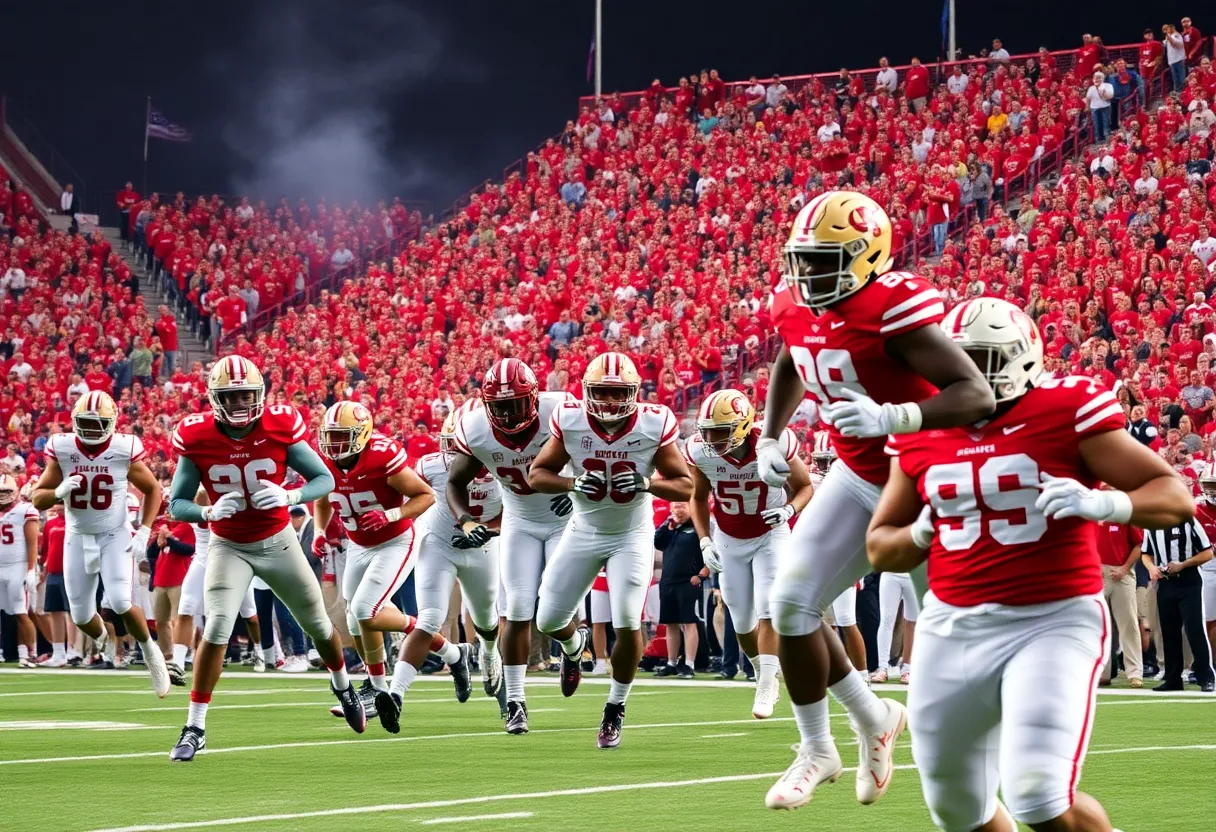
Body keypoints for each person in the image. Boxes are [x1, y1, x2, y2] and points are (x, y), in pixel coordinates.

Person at [869, 297, 1193, 832]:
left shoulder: (1066, 407)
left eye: (984, 362)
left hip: (1052, 619)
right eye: (960, 360)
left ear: (1021, 360)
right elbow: (881, 546)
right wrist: (922, 530)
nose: (970, 376)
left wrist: (1107, 503)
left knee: (1038, 793)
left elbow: (1173, 495)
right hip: (952, 626)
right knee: (957, 810)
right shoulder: (920, 427)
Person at [760, 191, 996, 811]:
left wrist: (896, 413)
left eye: (824, 260)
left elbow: (974, 395)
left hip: (926, 489)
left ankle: (985, 781)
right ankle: (827, 742)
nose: (808, 274)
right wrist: (769, 432)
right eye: (803, 260)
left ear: (869, 257)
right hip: (857, 475)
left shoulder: (890, 308)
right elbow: (791, 357)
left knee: (952, 645)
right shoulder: (797, 302)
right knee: (789, 605)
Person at [164, 355, 357, 762]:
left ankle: (342, 684)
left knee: (318, 624)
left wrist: (291, 495)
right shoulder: (196, 435)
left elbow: (323, 478)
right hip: (228, 543)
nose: (238, 405)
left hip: (278, 539)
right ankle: (195, 726)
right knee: (216, 626)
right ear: (215, 398)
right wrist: (207, 512)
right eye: (229, 397)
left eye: (245, 396)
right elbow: (176, 503)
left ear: (261, 395)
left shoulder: (281, 424)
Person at [529, 352, 693, 748]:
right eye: (601, 392)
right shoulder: (570, 419)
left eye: (618, 393)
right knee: (548, 619)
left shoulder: (654, 423)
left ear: (635, 393)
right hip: (584, 528)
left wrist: (647, 484)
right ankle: (574, 645)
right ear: (586, 392)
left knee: (625, 619)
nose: (609, 402)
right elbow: (537, 474)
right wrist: (570, 484)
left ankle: (615, 706)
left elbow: (686, 486)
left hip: (630, 533)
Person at [326, 404, 472, 733]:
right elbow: (324, 496)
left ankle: (376, 688)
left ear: (361, 436)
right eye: (331, 437)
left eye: (342, 437)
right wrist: (324, 531)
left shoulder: (381, 456)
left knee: (365, 609)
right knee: (355, 617)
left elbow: (425, 495)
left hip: (394, 541)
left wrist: (391, 515)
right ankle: (449, 654)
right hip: (358, 545)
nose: (335, 445)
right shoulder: (326, 462)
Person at [447, 358, 573, 733]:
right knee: (517, 607)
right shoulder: (475, 428)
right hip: (519, 517)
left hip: (565, 518)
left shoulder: (560, 410)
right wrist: (466, 519)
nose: (507, 413)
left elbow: (593, 454)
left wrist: (577, 492)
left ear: (533, 398)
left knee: (553, 609)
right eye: (499, 406)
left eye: (515, 403)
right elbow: (455, 482)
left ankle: (572, 643)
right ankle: (516, 702)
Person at [31, 391, 170, 696]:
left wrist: (144, 531)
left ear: (112, 423)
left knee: (121, 601)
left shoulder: (123, 449)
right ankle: (104, 642)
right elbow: (37, 496)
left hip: (113, 534)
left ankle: (152, 654)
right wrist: (59, 491)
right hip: (77, 536)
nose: (93, 431)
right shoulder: (63, 448)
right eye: (86, 424)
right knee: (81, 616)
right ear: (74, 422)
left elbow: (153, 489)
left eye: (99, 424)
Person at [685, 388, 813, 717]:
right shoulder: (700, 452)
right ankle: (762, 670)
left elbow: (805, 486)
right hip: (728, 537)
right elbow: (698, 497)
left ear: (742, 426)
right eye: (708, 431)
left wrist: (788, 510)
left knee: (769, 606)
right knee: (741, 621)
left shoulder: (774, 443)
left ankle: (767, 682)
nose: (712, 439)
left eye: (720, 431)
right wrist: (704, 540)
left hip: (771, 533)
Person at [175, 488, 263, 674]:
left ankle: (258, 650)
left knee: (250, 615)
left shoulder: (233, 507)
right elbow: (187, 503)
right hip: (203, 561)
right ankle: (178, 662)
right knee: (185, 609)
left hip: (232, 562)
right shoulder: (198, 508)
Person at [1142, 515, 1215, 692]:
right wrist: (1152, 568)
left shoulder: (1188, 521)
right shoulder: (1151, 524)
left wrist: (1183, 565)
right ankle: (1173, 678)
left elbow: (1207, 552)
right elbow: (1146, 553)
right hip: (1166, 583)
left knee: (1194, 628)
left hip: (1189, 581)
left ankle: (1206, 676)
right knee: (1169, 631)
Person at [654, 501, 705, 679]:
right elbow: (658, 543)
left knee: (689, 622)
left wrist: (701, 575)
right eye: (675, 506)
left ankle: (689, 664)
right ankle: (671, 662)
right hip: (668, 581)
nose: (678, 510)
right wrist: (667, 525)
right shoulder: (670, 527)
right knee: (671, 623)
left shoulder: (698, 527)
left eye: (682, 506)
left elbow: (709, 553)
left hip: (688, 581)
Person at [1096, 508, 1145, 687]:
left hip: (1120, 573)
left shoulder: (1125, 514)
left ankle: (1135, 672)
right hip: (1095, 573)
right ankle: (1102, 671)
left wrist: (1125, 568)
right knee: (1099, 626)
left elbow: (1139, 544)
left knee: (1128, 625)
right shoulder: (1090, 514)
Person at [0, 474, 40, 667]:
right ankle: (19, 653)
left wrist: (31, 570)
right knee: (7, 612)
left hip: (17, 566)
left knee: (20, 612)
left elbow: (32, 543)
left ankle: (30, 653)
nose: (2, 496)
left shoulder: (25, 510)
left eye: (5, 492)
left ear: (15, 491)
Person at [873, 570, 918, 683]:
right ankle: (882, 667)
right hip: (891, 572)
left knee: (912, 621)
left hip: (915, 572)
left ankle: (907, 669)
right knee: (886, 620)